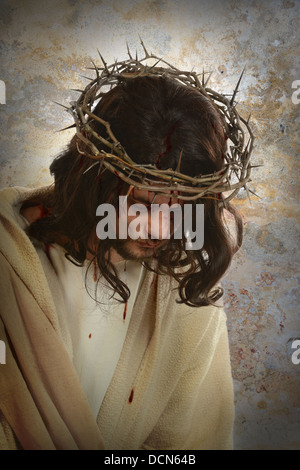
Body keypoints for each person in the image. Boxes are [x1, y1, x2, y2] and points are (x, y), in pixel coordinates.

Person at [0, 51, 253, 450]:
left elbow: (194, 444)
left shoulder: (185, 297)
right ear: (95, 177)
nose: (159, 229)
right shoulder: (8, 257)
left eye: (179, 207)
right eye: (143, 204)